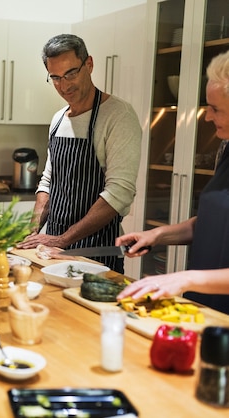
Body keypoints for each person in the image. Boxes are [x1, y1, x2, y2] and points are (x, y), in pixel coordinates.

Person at [17, 34, 141, 273]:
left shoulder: (118, 115)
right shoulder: (58, 118)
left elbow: (119, 194)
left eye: (71, 73)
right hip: (52, 253)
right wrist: (32, 230)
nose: (64, 86)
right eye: (55, 78)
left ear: (89, 64)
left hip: (96, 255)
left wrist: (64, 239)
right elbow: (48, 181)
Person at [117, 50, 229, 315]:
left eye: (215, 109)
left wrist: (184, 278)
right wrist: (156, 235)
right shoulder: (226, 151)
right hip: (204, 309)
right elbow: (212, 222)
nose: (207, 116)